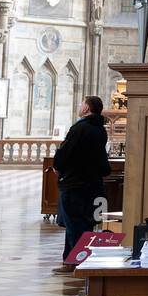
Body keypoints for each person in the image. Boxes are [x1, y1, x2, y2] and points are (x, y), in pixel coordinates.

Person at [51, 95, 110, 271]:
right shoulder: (100, 129)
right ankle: (73, 260)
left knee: (73, 224)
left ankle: (76, 262)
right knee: (85, 223)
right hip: (92, 183)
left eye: (81, 103)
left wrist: (57, 166)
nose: (79, 106)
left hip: (74, 183)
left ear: (86, 109)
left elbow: (66, 152)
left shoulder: (80, 128)